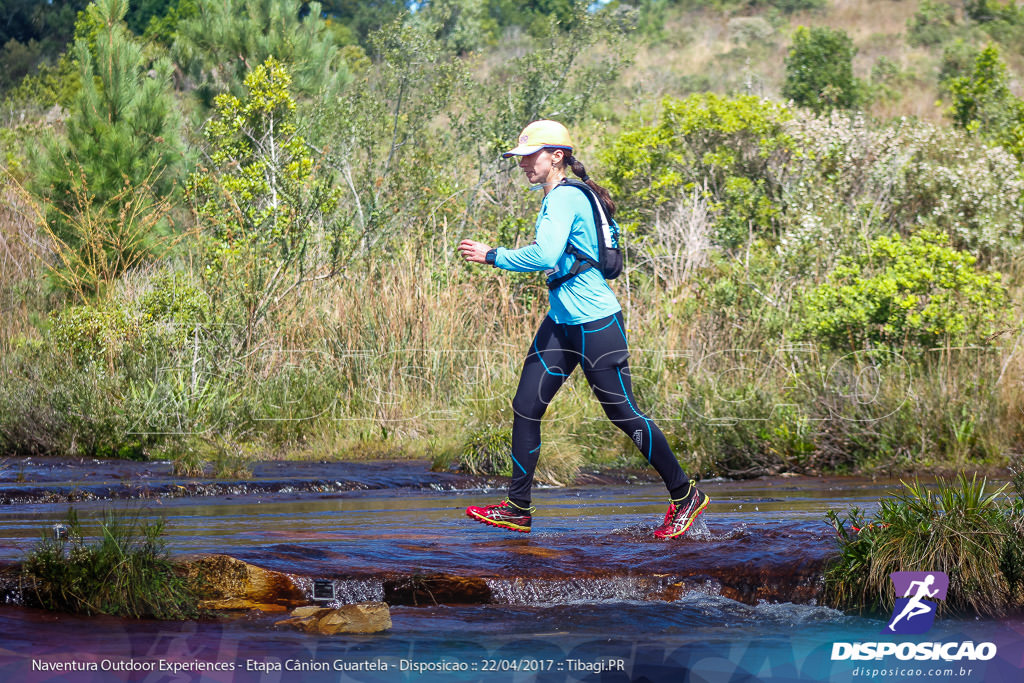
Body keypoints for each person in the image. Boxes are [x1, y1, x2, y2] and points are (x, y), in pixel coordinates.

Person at [457, 120, 710, 539]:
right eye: (519, 159)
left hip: (596, 324)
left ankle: (685, 495)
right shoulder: (564, 196)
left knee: (623, 413)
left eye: (529, 157)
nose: (522, 166)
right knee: (526, 406)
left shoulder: (564, 198)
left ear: (556, 156)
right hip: (561, 323)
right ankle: (518, 507)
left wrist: (493, 255)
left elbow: (545, 254)